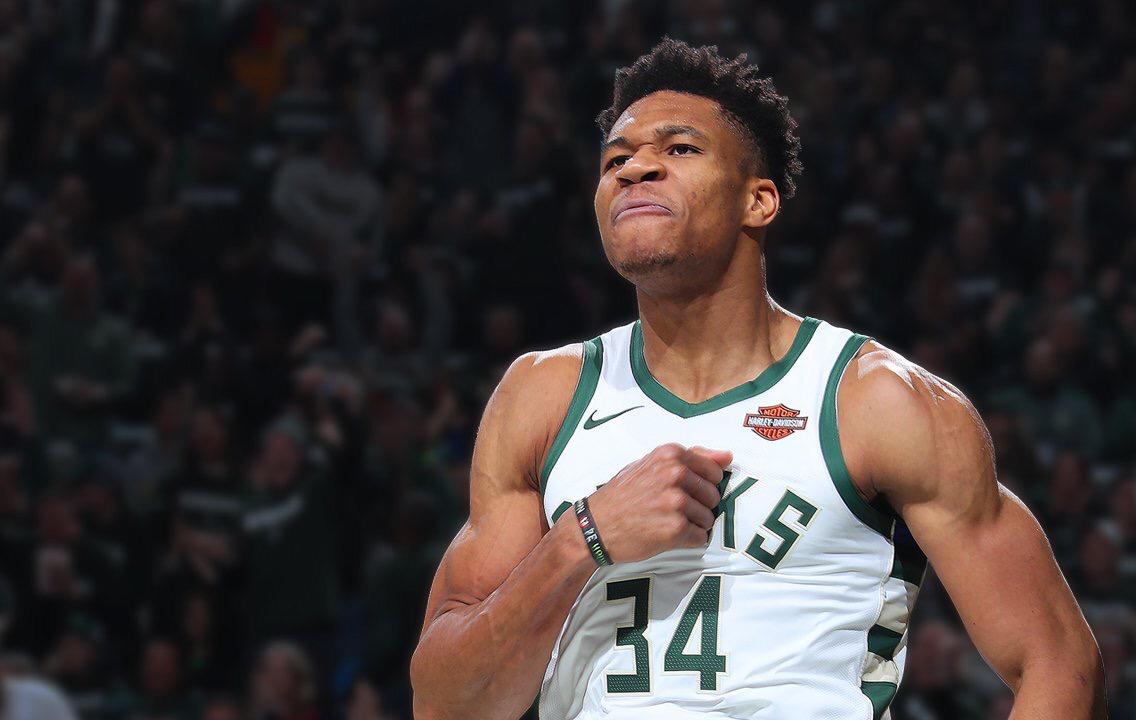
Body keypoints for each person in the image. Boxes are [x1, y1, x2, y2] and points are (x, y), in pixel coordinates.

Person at [410, 39, 1104, 720]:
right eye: (615, 159)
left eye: (680, 149)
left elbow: (1060, 662)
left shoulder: (873, 399)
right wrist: (583, 538)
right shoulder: (543, 396)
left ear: (759, 201)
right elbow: (445, 704)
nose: (635, 168)